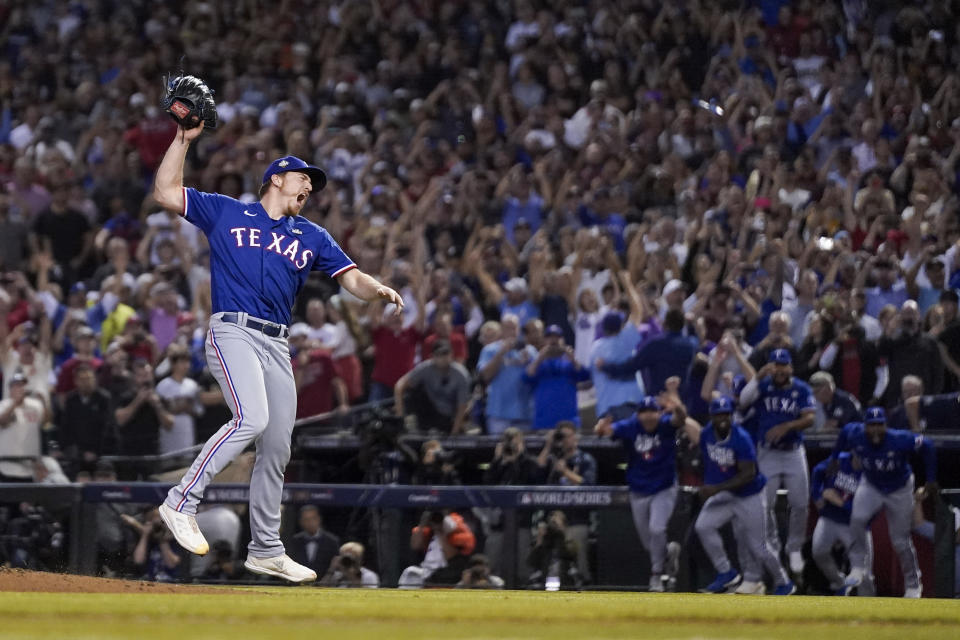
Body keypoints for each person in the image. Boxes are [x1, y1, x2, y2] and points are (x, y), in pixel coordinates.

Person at [152, 122, 403, 584]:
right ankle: (179, 502)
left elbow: (351, 278)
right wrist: (183, 140)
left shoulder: (312, 235)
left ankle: (266, 548)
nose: (309, 185)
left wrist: (378, 288)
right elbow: (167, 191)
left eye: (313, 181)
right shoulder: (227, 212)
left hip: (276, 343)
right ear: (276, 178)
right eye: (303, 177)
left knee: (277, 446)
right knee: (251, 420)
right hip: (234, 332)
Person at [594, 392, 700, 592]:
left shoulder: (666, 425)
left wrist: (677, 406)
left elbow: (681, 419)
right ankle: (668, 553)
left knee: (657, 529)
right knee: (649, 543)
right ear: (638, 414)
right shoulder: (630, 426)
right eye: (644, 412)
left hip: (664, 487)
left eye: (653, 412)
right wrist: (600, 428)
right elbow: (604, 431)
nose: (649, 416)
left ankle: (656, 576)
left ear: (659, 413)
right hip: (639, 490)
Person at [831, 407, 938, 598]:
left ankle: (914, 585)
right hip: (871, 484)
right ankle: (857, 566)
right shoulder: (855, 433)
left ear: (885, 425)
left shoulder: (899, 438)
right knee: (857, 519)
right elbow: (845, 432)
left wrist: (930, 480)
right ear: (865, 426)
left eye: (879, 424)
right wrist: (834, 458)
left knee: (900, 541)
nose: (875, 429)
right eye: (871, 425)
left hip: (899, 489)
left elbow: (927, 445)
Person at [694, 396, 795, 595]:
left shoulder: (741, 437)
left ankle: (784, 582)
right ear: (711, 417)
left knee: (759, 546)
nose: (722, 419)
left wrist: (716, 488)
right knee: (703, 526)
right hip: (726, 493)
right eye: (718, 415)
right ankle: (726, 572)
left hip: (750, 495)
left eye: (726, 415)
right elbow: (710, 463)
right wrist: (710, 486)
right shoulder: (706, 434)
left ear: (732, 416)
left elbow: (748, 474)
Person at [739, 349, 816, 575]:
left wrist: (787, 426)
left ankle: (794, 548)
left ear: (790, 367)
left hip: (793, 451)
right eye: (776, 365)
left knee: (800, 502)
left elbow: (810, 418)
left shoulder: (801, 388)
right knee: (765, 504)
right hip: (768, 452)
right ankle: (772, 545)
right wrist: (758, 376)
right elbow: (743, 401)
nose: (779, 370)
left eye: (783, 365)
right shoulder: (764, 386)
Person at [810, 452, 875, 596]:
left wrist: (840, 502)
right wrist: (817, 495)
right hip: (829, 518)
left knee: (865, 575)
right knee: (819, 552)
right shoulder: (840, 460)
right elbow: (817, 471)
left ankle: (871, 611)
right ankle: (840, 583)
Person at [394, 340, 472, 434]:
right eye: (439, 354)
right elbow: (400, 385)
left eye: (446, 353)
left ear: (451, 355)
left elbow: (462, 406)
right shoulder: (425, 368)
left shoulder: (461, 374)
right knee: (414, 392)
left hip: (450, 415)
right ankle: (410, 427)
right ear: (432, 356)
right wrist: (399, 413)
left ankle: (455, 429)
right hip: (430, 410)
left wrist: (454, 432)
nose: (443, 358)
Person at [477, 314, 537, 434]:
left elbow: (537, 379)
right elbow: (485, 376)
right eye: (508, 328)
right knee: (500, 451)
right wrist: (501, 352)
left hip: (524, 413)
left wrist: (529, 362)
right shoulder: (490, 350)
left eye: (514, 327)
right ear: (502, 330)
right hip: (499, 413)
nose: (512, 331)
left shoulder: (530, 351)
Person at [524, 325, 590, 430]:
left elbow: (585, 376)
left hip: (569, 422)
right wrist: (540, 357)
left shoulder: (569, 362)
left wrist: (573, 359)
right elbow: (527, 378)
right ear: (544, 340)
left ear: (563, 340)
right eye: (549, 337)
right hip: (543, 422)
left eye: (557, 337)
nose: (553, 340)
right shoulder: (537, 362)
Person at [57, 362, 114, 472]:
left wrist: (95, 452)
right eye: (82, 379)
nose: (87, 382)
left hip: (100, 454)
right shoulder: (71, 400)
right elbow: (66, 427)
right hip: (77, 454)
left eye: (89, 378)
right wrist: (64, 449)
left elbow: (107, 428)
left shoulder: (104, 398)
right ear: (76, 381)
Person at [400, 510, 476, 588]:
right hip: (426, 570)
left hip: (446, 573)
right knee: (410, 571)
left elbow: (450, 557)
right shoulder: (430, 533)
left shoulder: (455, 535)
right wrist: (422, 523)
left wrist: (440, 531)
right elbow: (415, 545)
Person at [155, 347, 201, 455]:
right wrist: (177, 406)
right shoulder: (162, 386)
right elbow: (159, 411)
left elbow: (199, 411)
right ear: (173, 364)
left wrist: (188, 407)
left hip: (188, 437)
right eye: (182, 361)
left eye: (187, 361)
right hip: (169, 437)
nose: (186, 365)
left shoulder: (192, 385)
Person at [0, 373, 45, 482]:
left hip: (30, 467)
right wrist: (15, 403)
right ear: (10, 389)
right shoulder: (3, 405)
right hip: (7, 466)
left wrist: (44, 400)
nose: (20, 388)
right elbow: (2, 421)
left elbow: (46, 423)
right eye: (16, 385)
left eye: (22, 385)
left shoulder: (35, 406)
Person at [285, 505, 341, 580]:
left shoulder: (332, 541)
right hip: (299, 584)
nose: (310, 522)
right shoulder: (295, 541)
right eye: (306, 519)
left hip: (325, 586)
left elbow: (336, 565)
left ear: (319, 519)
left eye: (313, 518)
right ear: (301, 522)